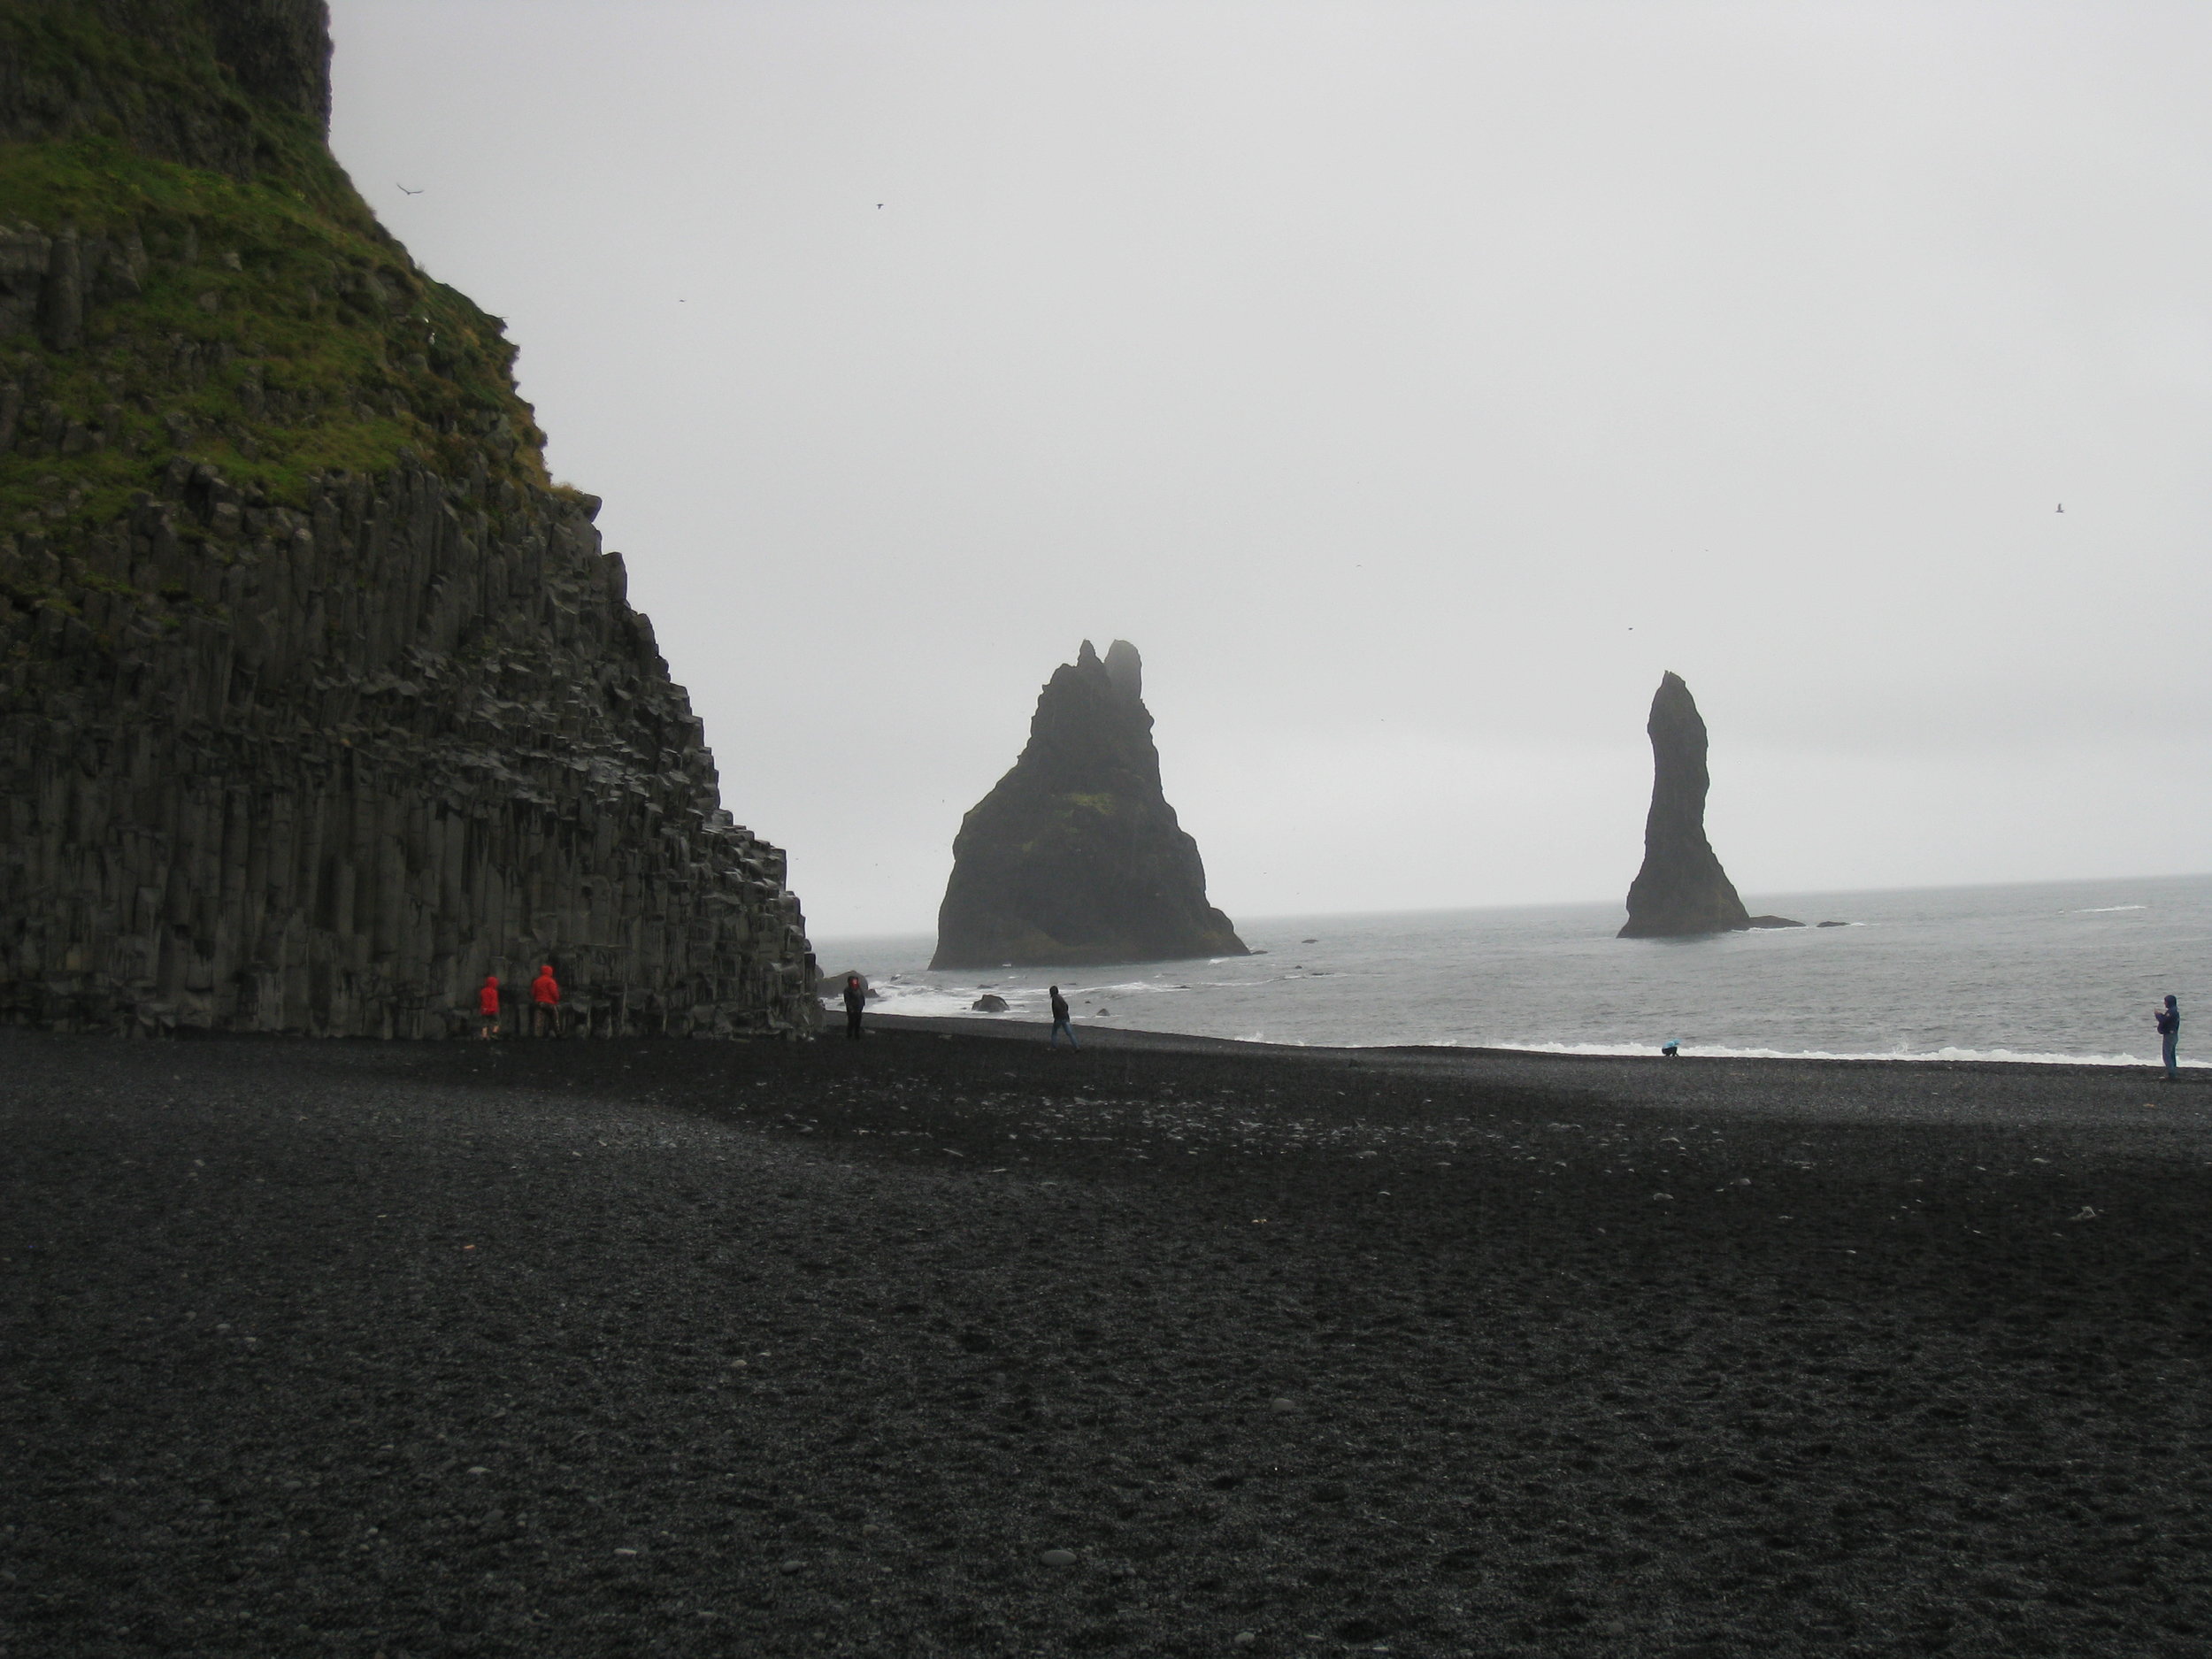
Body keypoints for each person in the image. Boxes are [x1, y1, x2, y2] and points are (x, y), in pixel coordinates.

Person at [531, 964, 562, 1038]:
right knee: (554, 1017)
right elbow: (554, 992)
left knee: (539, 1019)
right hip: (549, 1003)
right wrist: (557, 1000)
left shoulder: (537, 981)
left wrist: (536, 1000)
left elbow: (533, 993)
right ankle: (558, 1033)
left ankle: (538, 1035)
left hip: (539, 1003)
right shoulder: (551, 981)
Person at [2155, 994, 2180, 1080]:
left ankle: (2171, 1074)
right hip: (2174, 1035)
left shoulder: (2171, 1011)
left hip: (2169, 1036)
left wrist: (2158, 1015)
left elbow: (2164, 1020)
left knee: (2167, 1055)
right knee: (2171, 1054)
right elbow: (2167, 1020)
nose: (2164, 1003)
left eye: (2165, 1001)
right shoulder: (2174, 1010)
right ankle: (2173, 1072)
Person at [1048, 984, 1079, 1050]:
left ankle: (1054, 1046)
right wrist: (1065, 1012)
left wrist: (1056, 1015)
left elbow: (1056, 1007)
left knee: (1054, 1032)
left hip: (1059, 1018)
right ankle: (1076, 1046)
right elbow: (1067, 1006)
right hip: (1066, 1017)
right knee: (1070, 1033)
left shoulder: (1055, 998)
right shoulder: (1060, 997)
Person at [476, 973, 501, 1040]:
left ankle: (484, 1035)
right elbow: (494, 1001)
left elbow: (480, 1000)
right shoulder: (494, 991)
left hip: (484, 1010)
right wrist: (494, 1009)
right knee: (497, 1022)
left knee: (484, 1023)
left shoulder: (483, 991)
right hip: (493, 1010)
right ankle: (494, 1034)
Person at [842, 973, 866, 1041]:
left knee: (858, 1022)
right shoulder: (847, 990)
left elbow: (862, 997)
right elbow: (847, 1000)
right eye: (854, 980)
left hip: (859, 1007)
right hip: (852, 1008)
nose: (855, 982)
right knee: (851, 1022)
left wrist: (863, 1004)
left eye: (856, 980)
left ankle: (857, 1035)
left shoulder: (859, 989)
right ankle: (849, 1035)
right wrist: (851, 1008)